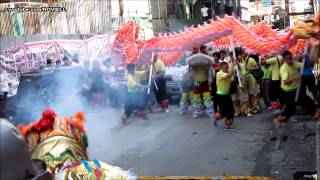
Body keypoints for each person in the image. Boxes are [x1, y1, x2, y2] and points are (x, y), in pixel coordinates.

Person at [276, 51, 317, 125]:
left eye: (291, 58)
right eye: (288, 59)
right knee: (290, 108)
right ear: (284, 60)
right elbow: (285, 82)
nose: (290, 60)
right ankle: (282, 118)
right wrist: (296, 77)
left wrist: (303, 57)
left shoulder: (294, 63)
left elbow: (304, 65)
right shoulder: (283, 68)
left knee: (305, 100)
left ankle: (316, 111)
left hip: (295, 89)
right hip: (286, 92)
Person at [216, 60, 236, 130]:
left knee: (231, 111)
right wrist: (233, 64)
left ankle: (228, 126)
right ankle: (214, 118)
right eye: (225, 68)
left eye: (227, 68)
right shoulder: (219, 73)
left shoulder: (226, 73)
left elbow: (231, 75)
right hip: (221, 96)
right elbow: (230, 75)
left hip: (227, 95)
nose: (227, 69)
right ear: (221, 68)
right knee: (223, 112)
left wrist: (235, 65)